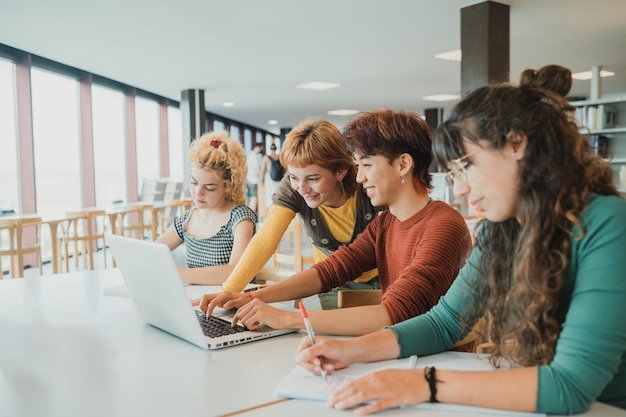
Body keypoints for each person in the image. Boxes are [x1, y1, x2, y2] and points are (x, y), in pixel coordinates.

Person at [295, 80, 626, 414]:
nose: (463, 190)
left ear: (516, 144)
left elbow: (569, 386)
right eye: (454, 174)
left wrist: (422, 384)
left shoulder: (607, 223)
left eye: (465, 166)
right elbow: (445, 322)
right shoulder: (503, 229)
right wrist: (349, 351)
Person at [198, 109, 471, 336]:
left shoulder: (443, 225)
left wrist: (289, 319)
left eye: (366, 165)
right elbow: (330, 271)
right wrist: (248, 297)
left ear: (402, 165)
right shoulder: (386, 223)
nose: (360, 177)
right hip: (398, 350)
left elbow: (396, 313)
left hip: (438, 362)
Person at [215, 118, 383, 309]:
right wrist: (228, 291)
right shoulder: (293, 187)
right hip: (333, 282)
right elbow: (266, 238)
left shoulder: (365, 184)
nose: (302, 189)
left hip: (381, 279)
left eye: (313, 178)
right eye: (294, 177)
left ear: (341, 171)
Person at [156, 131, 256, 285]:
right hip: (198, 303)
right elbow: (153, 252)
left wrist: (181, 274)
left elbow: (235, 271)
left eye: (209, 188)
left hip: (232, 305)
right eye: (194, 183)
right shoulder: (187, 219)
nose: (198, 193)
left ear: (228, 186)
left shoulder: (241, 218)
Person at [259, 143, 283, 209]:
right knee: (279, 194)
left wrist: (261, 181)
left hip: (270, 180)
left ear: (270, 148)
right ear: (276, 148)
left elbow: (262, 171)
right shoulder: (280, 157)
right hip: (279, 180)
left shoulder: (266, 158)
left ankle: (272, 208)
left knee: (270, 195)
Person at [245, 142, 263, 214]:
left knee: (251, 197)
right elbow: (258, 169)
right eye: (261, 149)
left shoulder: (249, 155)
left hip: (249, 179)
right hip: (254, 180)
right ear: (258, 147)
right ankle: (251, 213)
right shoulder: (254, 156)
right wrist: (262, 174)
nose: (261, 151)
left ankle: (250, 212)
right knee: (254, 197)